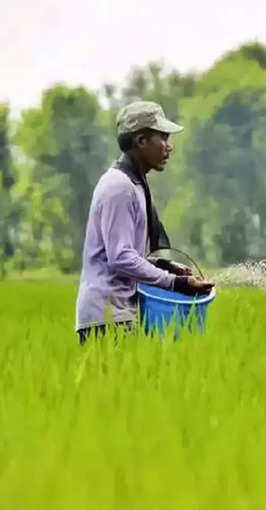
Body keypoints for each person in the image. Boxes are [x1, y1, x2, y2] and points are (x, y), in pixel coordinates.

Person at [75, 101, 213, 344]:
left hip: (121, 313)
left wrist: (166, 266)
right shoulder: (119, 187)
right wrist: (177, 283)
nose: (170, 148)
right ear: (140, 141)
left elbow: (131, 252)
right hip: (106, 317)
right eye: (163, 138)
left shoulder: (135, 184)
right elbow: (121, 257)